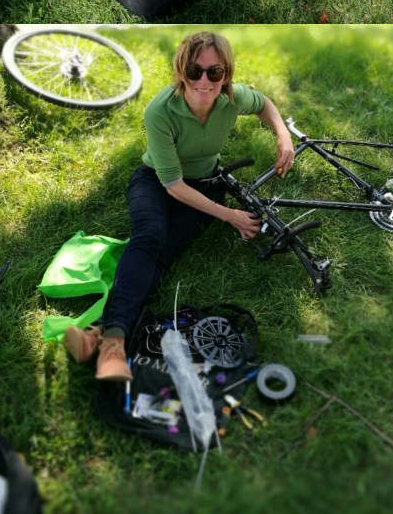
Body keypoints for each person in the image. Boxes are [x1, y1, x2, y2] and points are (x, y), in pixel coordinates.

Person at [63, 31, 295, 381]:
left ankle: (100, 335)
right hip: (156, 182)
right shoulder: (160, 110)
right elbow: (173, 185)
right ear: (181, 72)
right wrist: (231, 216)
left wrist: (283, 134)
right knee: (150, 235)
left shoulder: (232, 98)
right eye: (194, 70)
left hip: (206, 185)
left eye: (214, 72)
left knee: (163, 253)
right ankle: (112, 343)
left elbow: (264, 104)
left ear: (226, 75)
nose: (204, 81)